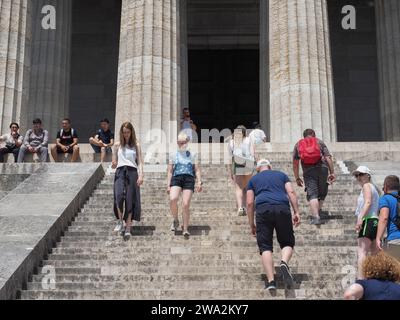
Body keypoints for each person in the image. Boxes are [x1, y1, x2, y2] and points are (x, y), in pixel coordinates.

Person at [247, 159, 301, 291]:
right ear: (270, 167)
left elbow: (249, 202)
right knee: (287, 241)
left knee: (265, 246)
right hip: (282, 207)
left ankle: (271, 281)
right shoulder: (281, 175)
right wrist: (296, 211)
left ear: (258, 169)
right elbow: (291, 192)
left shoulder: (253, 180)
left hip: (263, 209)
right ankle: (283, 262)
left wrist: (251, 224)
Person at [292, 129, 336, 225]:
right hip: (323, 168)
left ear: (304, 136)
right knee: (322, 191)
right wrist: (332, 172)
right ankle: (318, 210)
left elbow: (295, 163)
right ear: (314, 134)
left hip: (308, 171)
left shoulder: (298, 144)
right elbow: (328, 157)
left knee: (312, 194)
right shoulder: (319, 141)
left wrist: (297, 177)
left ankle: (316, 217)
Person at [112, 122, 144, 241]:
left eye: (128, 132)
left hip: (132, 171)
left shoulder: (136, 145)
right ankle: (120, 220)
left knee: (130, 199)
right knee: (118, 196)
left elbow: (140, 161)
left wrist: (141, 175)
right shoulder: (117, 145)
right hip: (120, 171)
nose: (126, 134)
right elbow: (114, 162)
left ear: (131, 132)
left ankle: (128, 228)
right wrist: (114, 163)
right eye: (124, 132)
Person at [167, 133, 203, 239]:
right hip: (177, 177)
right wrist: (168, 184)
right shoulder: (173, 154)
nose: (182, 144)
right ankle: (176, 219)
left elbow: (196, 169)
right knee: (173, 199)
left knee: (186, 204)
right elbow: (169, 170)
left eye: (184, 142)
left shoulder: (193, 154)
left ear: (187, 142)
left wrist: (199, 182)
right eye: (180, 143)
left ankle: (185, 228)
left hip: (189, 178)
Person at [352, 166, 380, 279]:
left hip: (368, 220)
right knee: (374, 252)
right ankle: (375, 278)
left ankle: (361, 278)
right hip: (375, 221)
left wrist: (360, 219)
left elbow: (367, 203)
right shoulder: (374, 188)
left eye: (361, 174)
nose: (359, 177)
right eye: (357, 175)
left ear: (368, 175)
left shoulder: (367, 186)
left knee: (362, 251)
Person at [228, 125, 255, 216]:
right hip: (248, 162)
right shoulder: (249, 140)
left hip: (237, 161)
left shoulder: (231, 142)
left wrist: (230, 171)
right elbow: (252, 153)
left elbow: (229, 157)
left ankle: (240, 207)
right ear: (244, 132)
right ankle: (248, 207)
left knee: (238, 188)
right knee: (247, 187)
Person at [376, 175, 400, 260]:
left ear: (386, 187)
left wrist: (378, 238)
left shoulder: (385, 199)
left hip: (395, 240)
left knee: (395, 270)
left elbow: (384, 218)